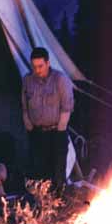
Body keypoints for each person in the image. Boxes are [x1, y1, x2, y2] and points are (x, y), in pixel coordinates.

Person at [21, 47, 74, 190]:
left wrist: (60, 131)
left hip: (56, 132)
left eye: (40, 66)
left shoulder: (60, 79)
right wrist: (29, 127)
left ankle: (58, 203)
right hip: (37, 133)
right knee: (39, 172)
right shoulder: (28, 80)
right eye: (34, 66)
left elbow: (67, 107)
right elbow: (24, 105)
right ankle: (42, 205)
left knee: (57, 173)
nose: (37, 70)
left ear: (48, 63)